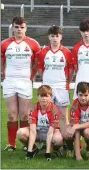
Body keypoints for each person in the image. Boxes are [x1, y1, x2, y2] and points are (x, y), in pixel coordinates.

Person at [1, 16, 41, 151]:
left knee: (24, 114)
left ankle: (26, 143)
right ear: (12, 28)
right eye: (16, 27)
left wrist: (31, 76)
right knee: (12, 114)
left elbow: (37, 62)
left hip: (25, 81)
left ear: (26, 28)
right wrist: (4, 74)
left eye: (22, 27)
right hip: (10, 81)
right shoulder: (4, 44)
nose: (19, 30)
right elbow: (2, 61)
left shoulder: (33, 44)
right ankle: (11, 144)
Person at [37, 25, 73, 132]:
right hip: (48, 87)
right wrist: (45, 80)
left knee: (63, 116)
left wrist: (68, 81)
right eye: (52, 36)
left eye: (57, 36)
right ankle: (49, 140)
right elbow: (39, 68)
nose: (54, 38)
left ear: (61, 37)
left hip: (61, 86)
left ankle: (65, 139)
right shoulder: (43, 52)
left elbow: (71, 69)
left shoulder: (66, 52)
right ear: (49, 37)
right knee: (48, 114)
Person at [16, 85, 63, 161]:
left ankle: (54, 149)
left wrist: (47, 154)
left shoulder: (55, 110)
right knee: (20, 132)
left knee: (58, 140)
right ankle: (34, 149)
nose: (44, 98)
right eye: (42, 96)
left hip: (51, 132)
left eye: (46, 96)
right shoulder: (33, 108)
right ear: (38, 96)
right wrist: (29, 152)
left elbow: (50, 132)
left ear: (51, 97)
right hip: (38, 132)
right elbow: (32, 131)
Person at [63, 82, 89, 161]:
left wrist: (76, 126)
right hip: (79, 126)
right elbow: (76, 129)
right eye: (80, 95)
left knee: (88, 133)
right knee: (66, 132)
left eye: (86, 95)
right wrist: (78, 155)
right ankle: (71, 149)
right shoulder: (75, 105)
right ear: (77, 94)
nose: (83, 98)